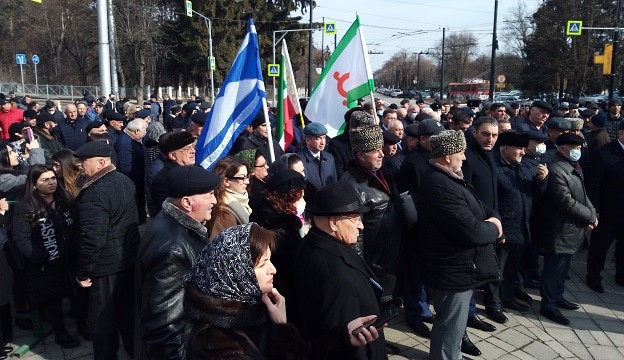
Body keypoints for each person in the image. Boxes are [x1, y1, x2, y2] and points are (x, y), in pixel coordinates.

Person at [418, 130, 501, 360]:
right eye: (461, 152)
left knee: (455, 325)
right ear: (447, 156)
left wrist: (493, 217)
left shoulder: (450, 177)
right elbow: (470, 229)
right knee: (449, 325)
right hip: (451, 269)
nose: (464, 157)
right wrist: (495, 228)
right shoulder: (440, 185)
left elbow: (480, 207)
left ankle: (451, 354)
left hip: (460, 267)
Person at [294, 182, 387, 359]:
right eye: (355, 218)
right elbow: (344, 341)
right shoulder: (334, 275)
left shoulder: (315, 242)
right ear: (334, 223)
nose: (361, 226)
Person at [136, 165, 219, 359]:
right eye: (209, 195)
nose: (214, 201)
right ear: (187, 203)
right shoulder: (173, 250)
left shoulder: (171, 223)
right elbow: (164, 328)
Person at [73, 141, 141, 359]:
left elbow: (92, 239)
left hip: (105, 268)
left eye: (84, 162)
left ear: (101, 162)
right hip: (128, 259)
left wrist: (83, 272)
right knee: (128, 314)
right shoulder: (124, 180)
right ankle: (134, 350)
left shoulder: (94, 193)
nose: (80, 166)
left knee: (103, 324)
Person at [11, 165, 85, 348]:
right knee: (53, 302)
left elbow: (76, 223)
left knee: (77, 295)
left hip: (70, 259)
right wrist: (40, 257)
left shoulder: (64, 199)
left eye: (52, 178)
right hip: (46, 265)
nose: (51, 182)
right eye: (45, 180)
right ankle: (60, 333)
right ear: (34, 184)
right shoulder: (25, 206)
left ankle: (83, 325)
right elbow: (21, 239)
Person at [540, 133, 597, 326]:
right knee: (554, 268)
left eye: (580, 148)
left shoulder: (573, 165)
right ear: (562, 149)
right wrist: (589, 216)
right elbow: (565, 201)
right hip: (560, 229)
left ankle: (558, 295)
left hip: (572, 228)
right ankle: (548, 303)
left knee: (563, 267)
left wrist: (592, 212)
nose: (578, 152)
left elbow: (582, 193)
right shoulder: (556, 169)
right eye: (574, 148)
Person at [250, 169, 306, 322]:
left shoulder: (262, 210)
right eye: (300, 195)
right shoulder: (282, 227)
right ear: (290, 196)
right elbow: (291, 261)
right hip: (282, 287)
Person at [585, 120, 624, 293]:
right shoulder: (604, 153)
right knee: (600, 247)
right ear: (622, 134)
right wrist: (595, 210)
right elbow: (593, 184)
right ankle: (593, 276)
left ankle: (621, 275)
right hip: (608, 212)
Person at [150, 131, 197, 217]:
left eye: (193, 147)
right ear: (172, 155)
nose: (193, 151)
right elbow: (170, 212)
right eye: (187, 149)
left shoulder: (197, 169)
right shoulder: (163, 180)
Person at [209, 156, 253, 238]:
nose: (247, 182)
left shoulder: (241, 201)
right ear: (226, 181)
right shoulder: (225, 212)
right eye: (242, 178)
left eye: (247, 177)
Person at [114, 118, 147, 224]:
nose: (145, 133)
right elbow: (126, 167)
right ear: (137, 131)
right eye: (144, 130)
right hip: (133, 182)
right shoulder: (125, 143)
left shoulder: (130, 139)